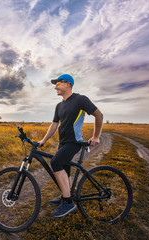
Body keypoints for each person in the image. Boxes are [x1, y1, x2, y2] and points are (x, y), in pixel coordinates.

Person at [38, 74, 103, 218]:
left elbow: (99, 115)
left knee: (56, 162)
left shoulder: (80, 100)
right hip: (63, 143)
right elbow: (54, 125)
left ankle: (68, 202)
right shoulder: (59, 105)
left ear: (68, 84)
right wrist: (43, 141)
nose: (55, 87)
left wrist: (96, 136)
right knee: (64, 171)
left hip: (74, 142)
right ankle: (65, 196)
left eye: (58, 83)